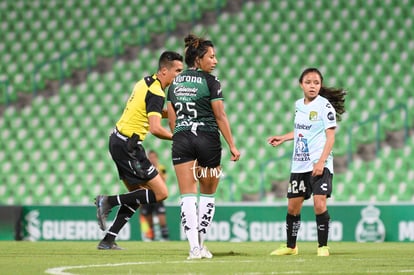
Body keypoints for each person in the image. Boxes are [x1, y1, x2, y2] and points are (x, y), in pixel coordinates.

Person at [95, 51, 184, 250]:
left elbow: (150, 110)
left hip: (117, 140)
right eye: (177, 71)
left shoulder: (145, 82)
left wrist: (170, 111)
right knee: (161, 193)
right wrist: (179, 137)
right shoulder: (157, 92)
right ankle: (107, 201)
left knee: (137, 195)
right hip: (130, 146)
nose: (180, 75)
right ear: (164, 70)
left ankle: (108, 239)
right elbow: (155, 129)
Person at [167, 34, 241, 259]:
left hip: (182, 139)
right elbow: (220, 115)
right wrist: (232, 146)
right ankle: (201, 243)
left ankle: (193, 248)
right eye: (211, 56)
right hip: (207, 139)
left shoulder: (175, 82)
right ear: (198, 59)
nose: (215, 61)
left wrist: (180, 137)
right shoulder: (212, 81)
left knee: (187, 195)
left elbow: (172, 118)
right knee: (207, 194)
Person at [267, 68, 346, 257]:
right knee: (292, 207)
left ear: (320, 85)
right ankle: (291, 246)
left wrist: (321, 162)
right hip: (299, 164)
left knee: (319, 203)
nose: (312, 86)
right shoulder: (298, 105)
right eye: (309, 82)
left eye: (316, 83)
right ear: (301, 84)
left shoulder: (325, 106)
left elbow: (331, 137)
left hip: (319, 163)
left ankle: (322, 246)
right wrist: (284, 138)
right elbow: (302, 131)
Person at [139, 150, 170, 241]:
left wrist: (156, 172)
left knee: (162, 219)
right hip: (147, 196)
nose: (152, 159)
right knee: (149, 220)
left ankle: (165, 238)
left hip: (158, 196)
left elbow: (163, 181)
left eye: (154, 157)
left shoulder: (161, 168)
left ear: (157, 158)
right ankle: (151, 239)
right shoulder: (143, 169)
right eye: (150, 157)